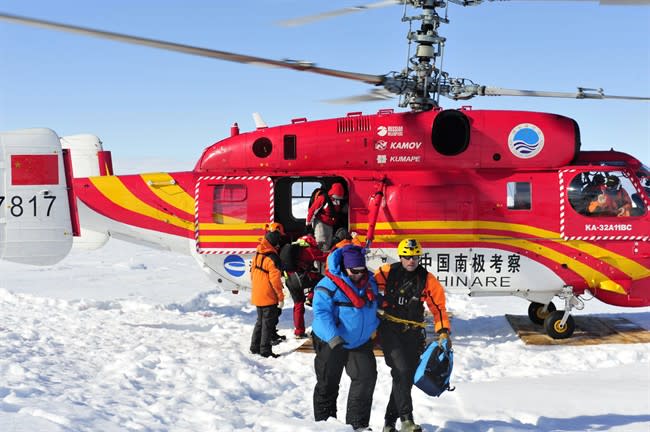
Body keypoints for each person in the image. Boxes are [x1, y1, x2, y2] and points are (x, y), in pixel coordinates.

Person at [374, 238, 451, 432]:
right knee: (401, 370)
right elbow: (367, 285)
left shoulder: (427, 279)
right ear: (400, 257)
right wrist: (376, 301)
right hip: (390, 331)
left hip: (413, 334)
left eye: (415, 257)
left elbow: (438, 307)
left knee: (406, 376)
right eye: (407, 257)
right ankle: (407, 419)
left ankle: (389, 422)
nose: (411, 261)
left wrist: (443, 331)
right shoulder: (387, 272)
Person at [311, 245, 380, 431]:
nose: (358, 274)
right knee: (328, 384)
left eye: (361, 270)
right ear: (344, 267)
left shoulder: (369, 281)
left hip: (360, 342)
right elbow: (321, 313)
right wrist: (333, 338)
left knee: (365, 378)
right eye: (354, 271)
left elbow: (374, 305)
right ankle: (326, 426)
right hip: (331, 342)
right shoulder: (328, 285)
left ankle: (357, 425)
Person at [284, 234, 328, 338]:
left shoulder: (294, 248)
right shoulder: (309, 249)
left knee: (298, 305)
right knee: (322, 280)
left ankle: (299, 331)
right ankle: (310, 297)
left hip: (289, 279)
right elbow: (323, 257)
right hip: (300, 279)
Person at [249, 229, 285, 358]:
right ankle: (265, 350)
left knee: (260, 322)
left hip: (257, 294)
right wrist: (280, 297)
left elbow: (252, 274)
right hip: (268, 295)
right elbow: (275, 281)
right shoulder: (272, 258)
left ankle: (254, 347)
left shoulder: (258, 254)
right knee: (268, 324)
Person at [306, 183, 346, 251]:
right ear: (332, 194)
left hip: (330, 224)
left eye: (339, 198)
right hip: (321, 223)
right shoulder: (323, 198)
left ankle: (325, 258)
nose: (337, 199)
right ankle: (319, 259)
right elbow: (312, 211)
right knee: (321, 243)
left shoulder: (338, 201)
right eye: (336, 197)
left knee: (328, 244)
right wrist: (308, 224)